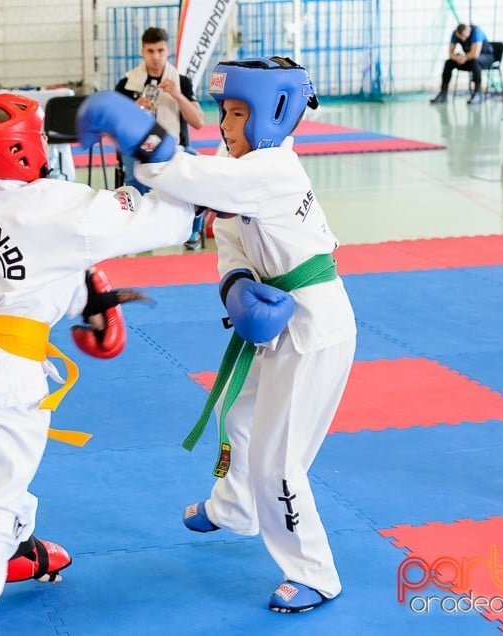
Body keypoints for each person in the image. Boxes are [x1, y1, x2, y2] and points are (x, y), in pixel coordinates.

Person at [0, 92, 196, 636]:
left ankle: (22, 548)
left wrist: (88, 300)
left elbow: (30, 273)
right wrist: (155, 151)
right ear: (22, 148)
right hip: (7, 380)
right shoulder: (55, 205)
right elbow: (168, 222)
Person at [79, 56, 356, 614]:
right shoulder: (243, 175)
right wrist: (233, 288)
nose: (225, 125)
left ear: (275, 113)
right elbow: (223, 229)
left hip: (314, 330)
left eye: (237, 113)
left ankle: (316, 573)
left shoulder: (271, 170)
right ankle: (236, 509)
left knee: (279, 463)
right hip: (280, 320)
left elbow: (194, 178)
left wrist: (141, 135)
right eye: (223, 112)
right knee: (241, 417)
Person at [115, 26, 205, 251]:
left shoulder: (181, 81)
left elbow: (198, 122)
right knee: (132, 168)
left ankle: (193, 231)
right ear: (142, 52)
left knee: (200, 172)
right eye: (150, 51)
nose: (156, 57)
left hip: (174, 146)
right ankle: (139, 229)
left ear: (168, 51)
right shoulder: (127, 83)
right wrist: (132, 109)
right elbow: (114, 127)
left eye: (160, 51)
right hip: (138, 148)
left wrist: (177, 95)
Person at [430, 23, 494, 105]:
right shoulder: (455, 34)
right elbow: (450, 54)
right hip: (468, 59)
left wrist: (464, 58)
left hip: (486, 57)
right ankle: (443, 94)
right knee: (449, 63)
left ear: (468, 30)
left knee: (475, 61)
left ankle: (478, 93)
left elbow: (475, 54)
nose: (463, 39)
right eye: (460, 37)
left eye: (464, 36)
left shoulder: (476, 32)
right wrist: (457, 58)